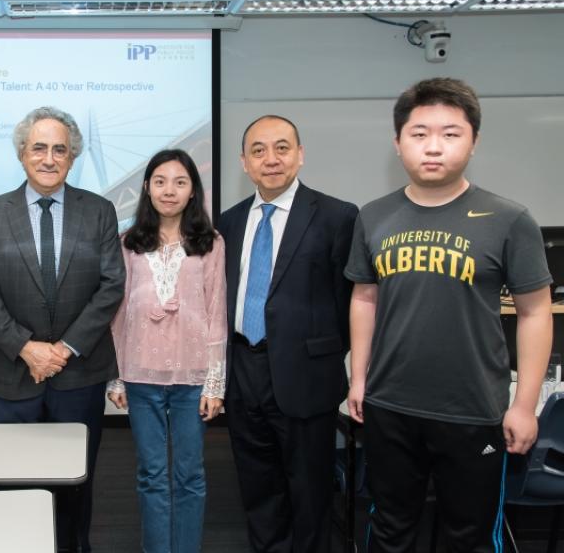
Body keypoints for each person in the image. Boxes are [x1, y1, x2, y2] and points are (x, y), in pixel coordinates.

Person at [345, 77, 553, 552]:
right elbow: (364, 297)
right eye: (419, 134)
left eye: (450, 133)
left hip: (475, 411)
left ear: (474, 141)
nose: (433, 147)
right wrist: (359, 378)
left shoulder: (509, 219)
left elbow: (536, 312)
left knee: (470, 536)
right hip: (391, 406)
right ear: (398, 144)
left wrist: (524, 406)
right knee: (391, 530)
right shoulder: (374, 216)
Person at [0, 106, 126, 552]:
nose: (50, 158)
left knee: (77, 485)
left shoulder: (99, 211)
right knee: (12, 482)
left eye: (60, 149)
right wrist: (27, 348)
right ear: (22, 154)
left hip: (79, 374)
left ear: (73, 157)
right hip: (12, 375)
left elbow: (112, 285)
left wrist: (65, 348)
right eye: (39, 148)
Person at [217, 115, 358, 552]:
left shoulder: (337, 216)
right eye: (258, 150)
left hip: (307, 375)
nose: (271, 159)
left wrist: (316, 352)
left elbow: (349, 301)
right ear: (244, 162)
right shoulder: (229, 222)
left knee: (310, 491)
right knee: (259, 488)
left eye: (282, 147)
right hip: (244, 370)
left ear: (300, 155)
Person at [107, 149, 226, 553]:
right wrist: (116, 374)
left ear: (193, 190)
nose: (169, 190)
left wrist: (215, 383)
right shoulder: (127, 243)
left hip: (193, 378)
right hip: (141, 376)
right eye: (160, 181)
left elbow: (216, 312)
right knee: (151, 475)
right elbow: (118, 313)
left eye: (180, 182)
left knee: (190, 474)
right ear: (146, 188)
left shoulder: (210, 243)